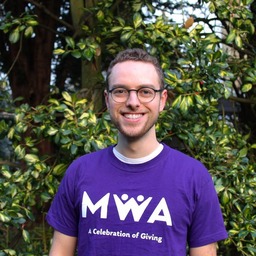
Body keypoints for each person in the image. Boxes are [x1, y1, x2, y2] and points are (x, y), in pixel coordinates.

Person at [46, 48, 228, 256]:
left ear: (162, 100)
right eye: (121, 91)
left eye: (145, 91)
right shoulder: (80, 171)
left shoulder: (193, 177)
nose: (133, 102)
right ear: (107, 100)